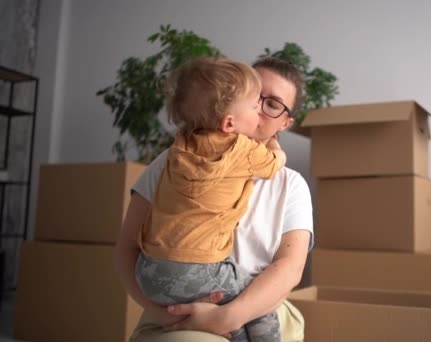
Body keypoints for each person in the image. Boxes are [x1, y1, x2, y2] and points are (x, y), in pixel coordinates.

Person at [114, 57, 313, 342]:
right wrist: (166, 315)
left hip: (255, 305)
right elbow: (126, 249)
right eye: (253, 94)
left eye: (272, 104)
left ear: (285, 122)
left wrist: (225, 317)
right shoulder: (173, 161)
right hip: (175, 311)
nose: (258, 105)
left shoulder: (290, 185)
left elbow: (290, 269)